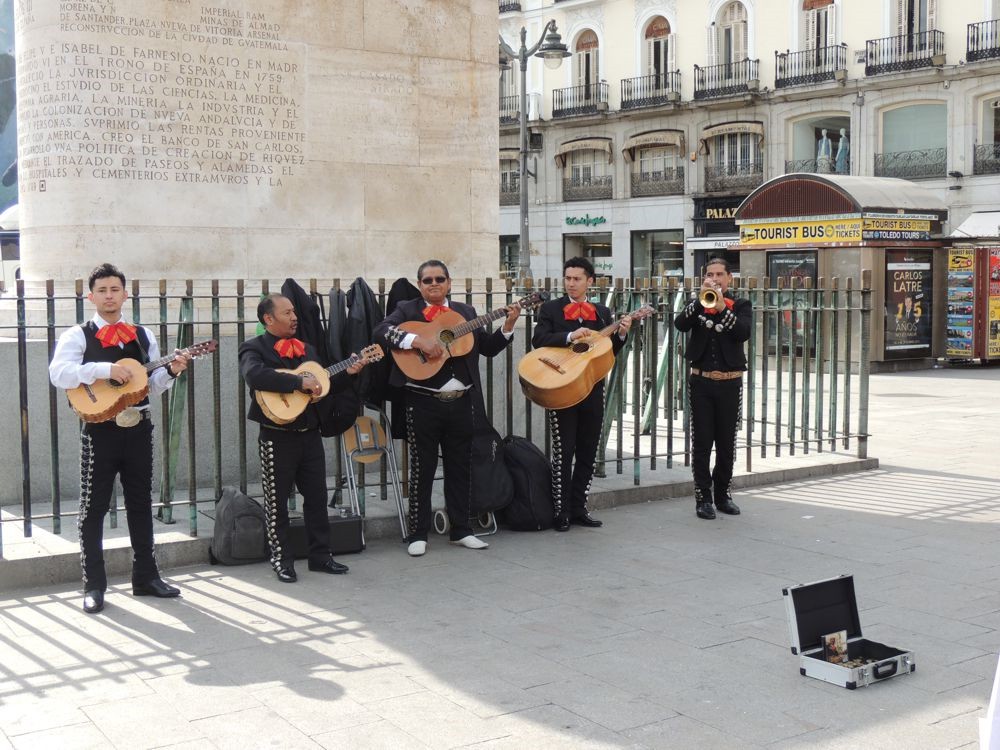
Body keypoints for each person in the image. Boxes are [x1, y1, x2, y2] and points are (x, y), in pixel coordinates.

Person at [48, 263, 191, 614]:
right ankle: (94, 585)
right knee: (93, 509)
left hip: (139, 428)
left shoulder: (142, 335)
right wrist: (104, 370)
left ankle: (146, 577)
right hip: (100, 431)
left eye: (115, 290)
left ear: (126, 294)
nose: (109, 296)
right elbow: (58, 373)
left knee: (141, 504)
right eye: (103, 290)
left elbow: (149, 387)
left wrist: (170, 372)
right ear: (91, 296)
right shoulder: (78, 335)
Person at [374, 260, 520, 557]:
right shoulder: (408, 309)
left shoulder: (465, 313)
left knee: (461, 466)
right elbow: (382, 331)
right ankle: (418, 533)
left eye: (439, 279)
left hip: (462, 402)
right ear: (420, 285)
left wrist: (508, 326)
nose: (434, 284)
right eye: (427, 280)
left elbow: (488, 348)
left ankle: (461, 529)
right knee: (422, 467)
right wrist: (419, 341)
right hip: (422, 402)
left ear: (449, 283)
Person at [239, 294, 367, 583]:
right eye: (287, 312)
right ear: (268, 319)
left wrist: (349, 373)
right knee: (277, 502)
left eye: (294, 311)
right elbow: (255, 376)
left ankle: (321, 556)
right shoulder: (253, 348)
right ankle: (281, 560)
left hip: (309, 434)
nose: (294, 316)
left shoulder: (307, 349)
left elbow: (323, 385)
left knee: (317, 498)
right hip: (276, 436)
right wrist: (297, 382)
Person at [531, 257, 632, 532]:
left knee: (588, 452)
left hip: (591, 390)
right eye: (567, 278)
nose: (571, 283)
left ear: (590, 281)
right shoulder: (552, 309)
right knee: (564, 452)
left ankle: (579, 509)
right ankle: (560, 512)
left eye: (577, 279)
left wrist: (621, 336)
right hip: (562, 389)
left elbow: (605, 355)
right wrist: (569, 336)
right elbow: (538, 340)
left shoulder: (601, 313)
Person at [673, 257, 752, 520]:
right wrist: (700, 301)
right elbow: (680, 324)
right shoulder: (697, 304)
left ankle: (723, 495)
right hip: (701, 381)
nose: (715, 279)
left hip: (731, 382)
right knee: (702, 442)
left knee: (727, 443)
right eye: (710, 274)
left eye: (719, 274)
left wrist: (721, 307)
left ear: (729, 278)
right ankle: (702, 498)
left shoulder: (741, 305)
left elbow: (742, 332)